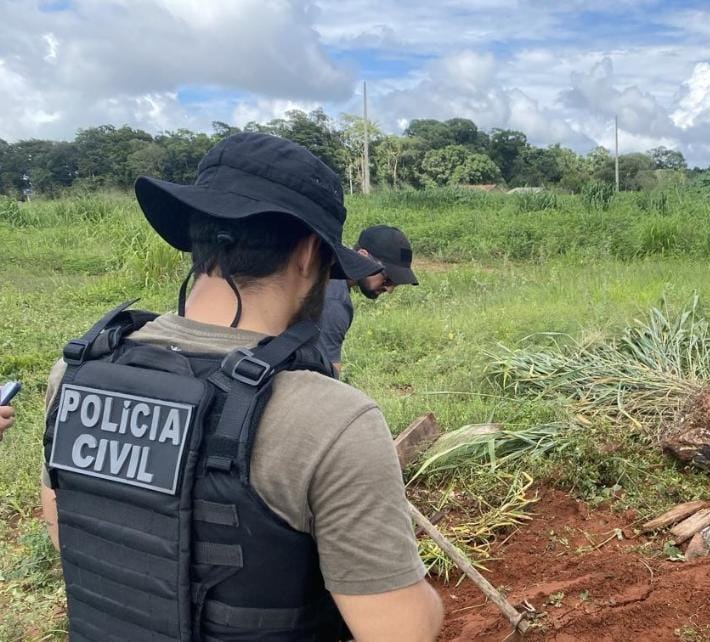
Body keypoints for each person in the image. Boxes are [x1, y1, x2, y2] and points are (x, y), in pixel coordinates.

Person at [39, 133, 443, 641]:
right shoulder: (333, 422)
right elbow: (401, 634)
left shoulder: (74, 372)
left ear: (196, 234)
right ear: (308, 253)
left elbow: (69, 534)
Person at [317, 225, 419, 371]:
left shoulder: (325, 266)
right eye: (388, 278)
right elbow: (326, 378)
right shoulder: (334, 302)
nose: (389, 289)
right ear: (362, 256)